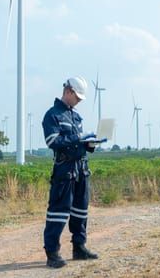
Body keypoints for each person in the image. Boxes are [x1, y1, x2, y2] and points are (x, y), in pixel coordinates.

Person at [42, 76, 100, 268]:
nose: (79, 101)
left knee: (81, 211)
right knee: (58, 213)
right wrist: (77, 138)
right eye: (78, 97)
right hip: (64, 170)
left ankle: (79, 247)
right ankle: (52, 253)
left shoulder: (75, 116)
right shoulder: (52, 115)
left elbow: (79, 143)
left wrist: (89, 144)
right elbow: (53, 142)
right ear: (68, 91)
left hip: (81, 169)